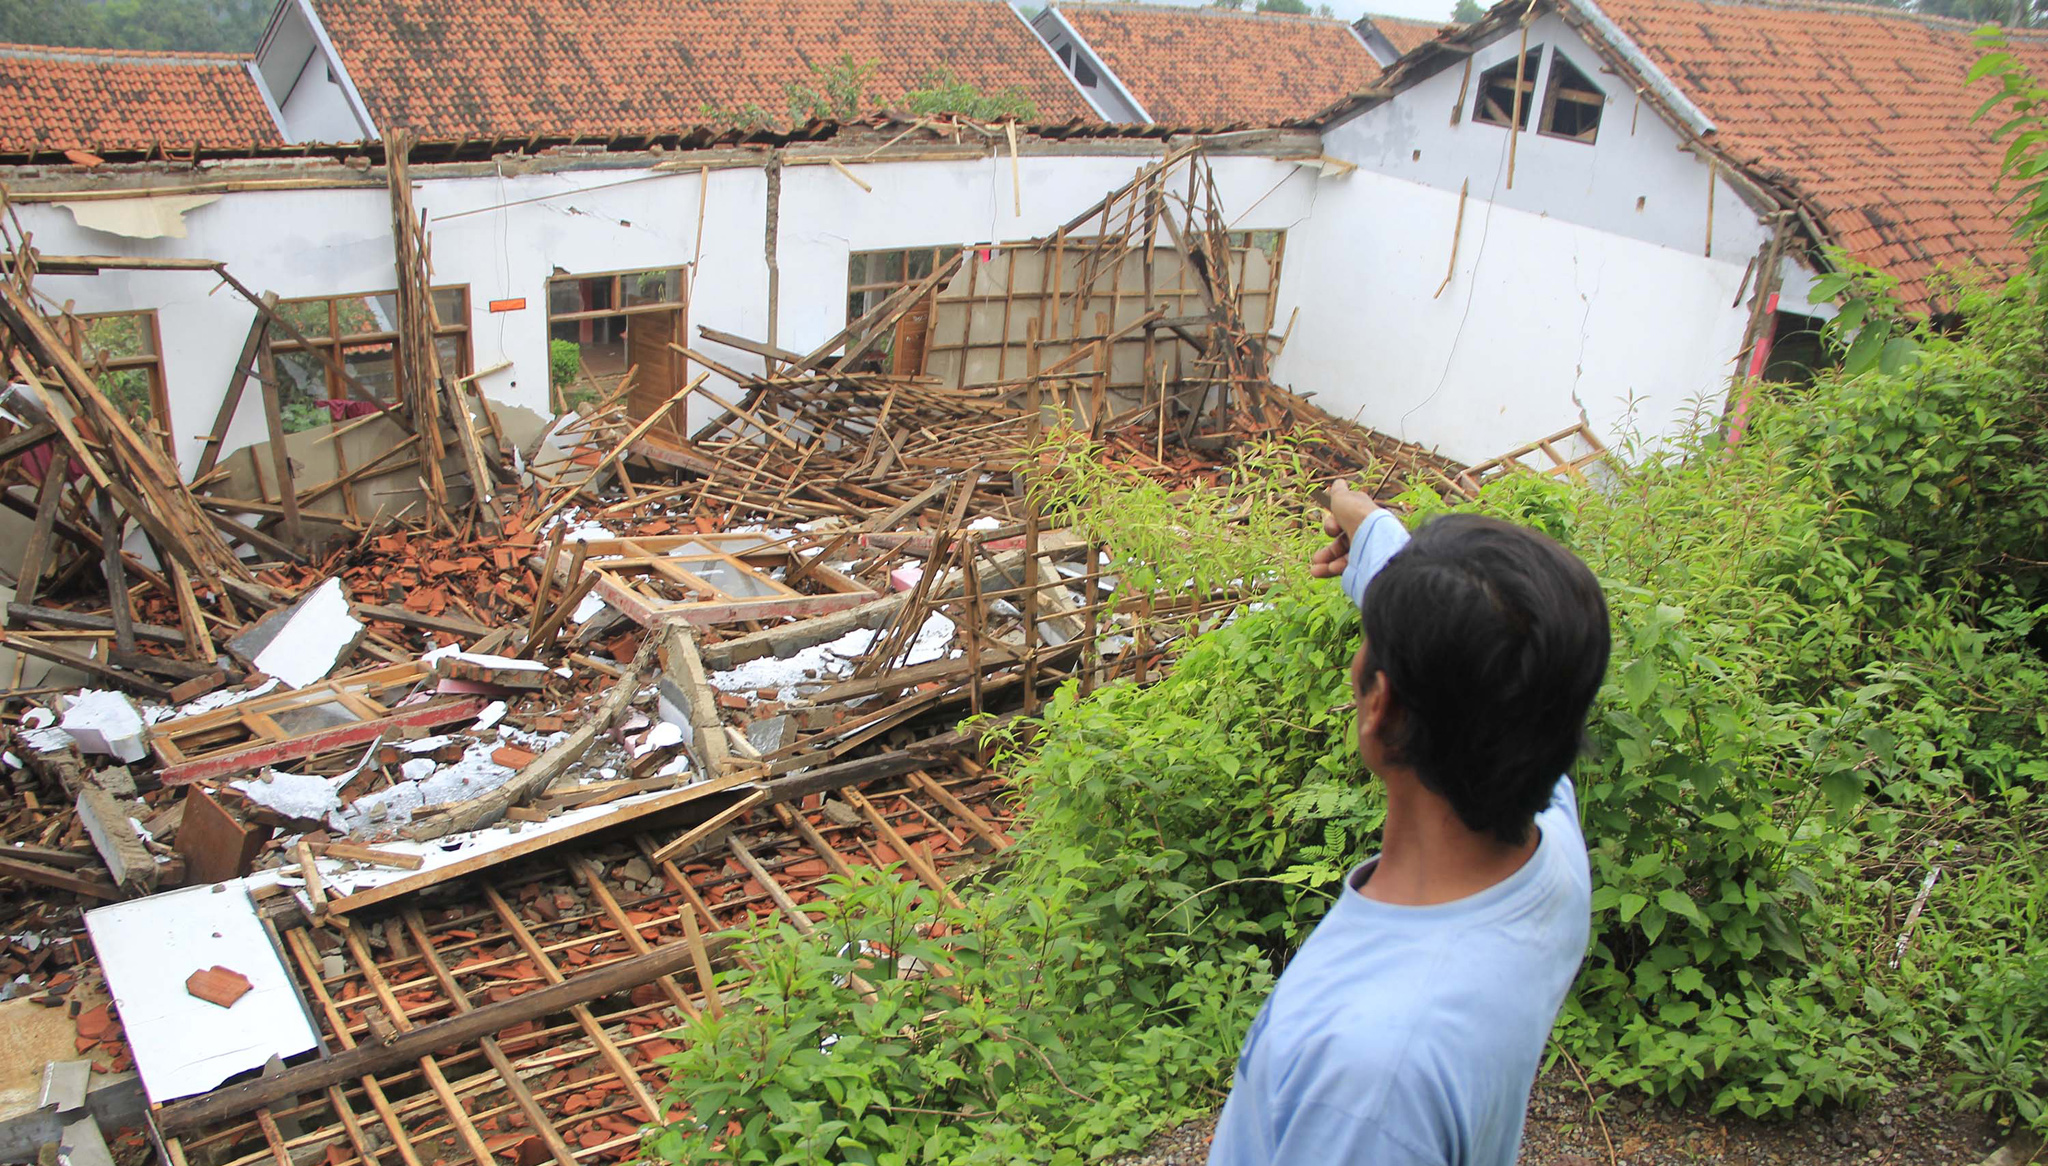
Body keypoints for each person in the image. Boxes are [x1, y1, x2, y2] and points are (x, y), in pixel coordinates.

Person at [1207, 481, 1610, 1166]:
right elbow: (1500, 660)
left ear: (1381, 706)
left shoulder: (1369, 1077)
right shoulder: (1553, 860)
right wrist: (1373, 536)